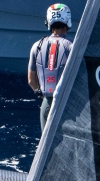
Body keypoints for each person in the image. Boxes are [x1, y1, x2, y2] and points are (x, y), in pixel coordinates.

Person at [28, 3, 74, 132]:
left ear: (48, 21)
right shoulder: (73, 46)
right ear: (67, 21)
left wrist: (42, 95)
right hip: (68, 105)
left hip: (47, 104)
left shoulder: (36, 46)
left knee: (47, 147)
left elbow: (31, 81)